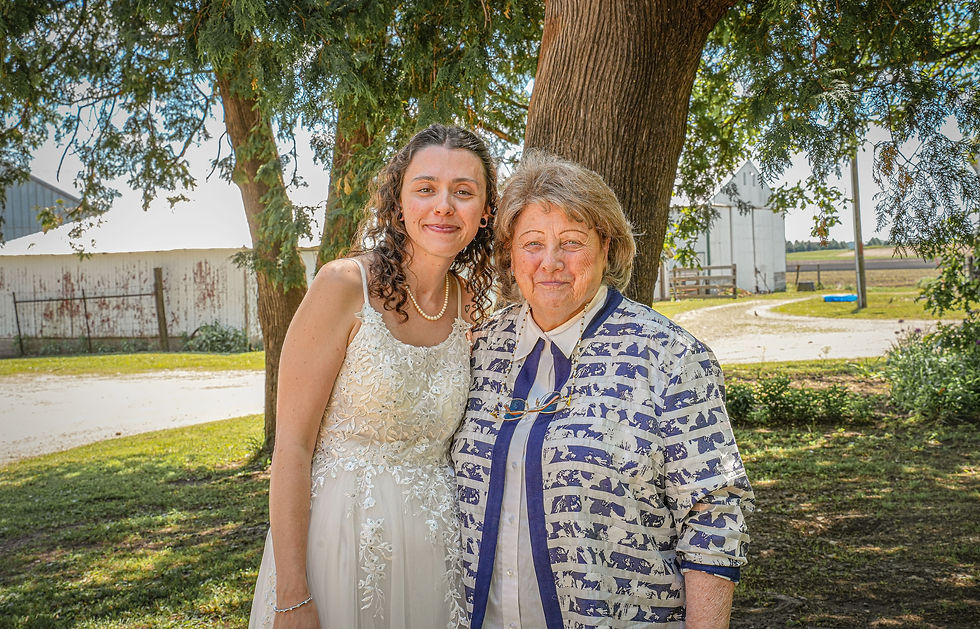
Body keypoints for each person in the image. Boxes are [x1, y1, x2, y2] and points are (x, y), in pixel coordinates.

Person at [452, 153, 753, 629]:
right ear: (510, 253)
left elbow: (713, 514)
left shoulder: (670, 356)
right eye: (532, 243)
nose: (550, 262)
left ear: (607, 246)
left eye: (571, 243)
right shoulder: (482, 349)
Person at [249, 124, 497, 629]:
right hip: (340, 542)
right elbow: (292, 447)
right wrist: (293, 594)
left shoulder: (472, 306)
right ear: (398, 201)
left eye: (464, 192)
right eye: (425, 188)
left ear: (485, 211)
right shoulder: (343, 286)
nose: (443, 205)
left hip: (436, 548)